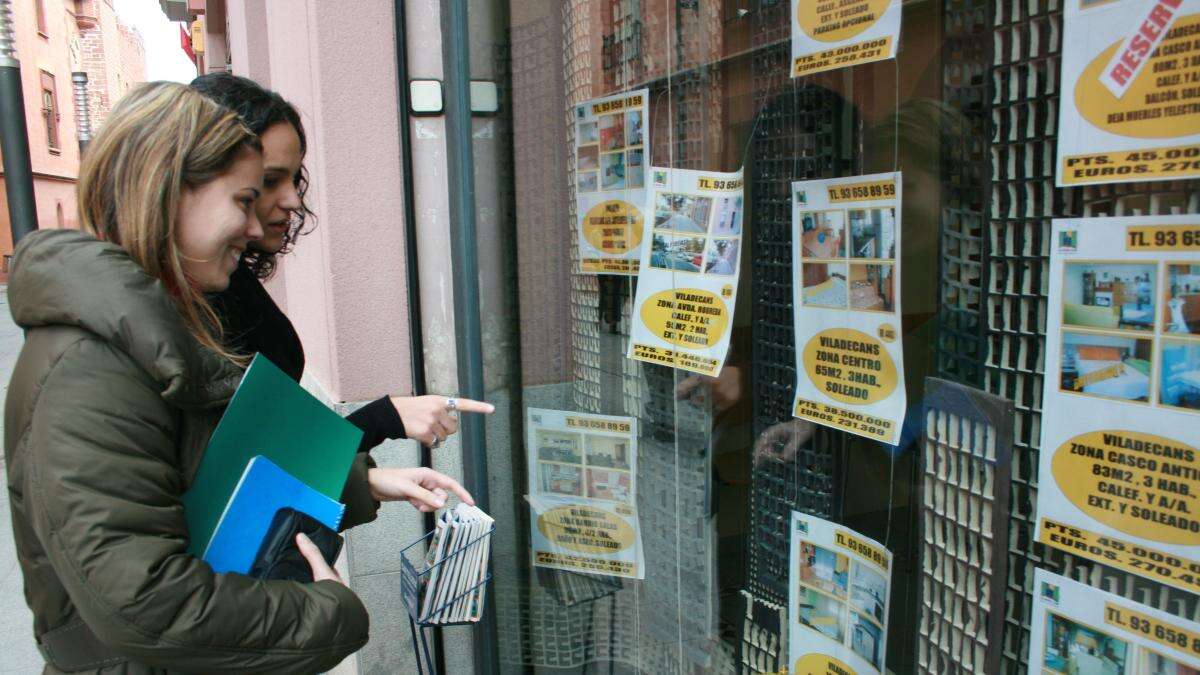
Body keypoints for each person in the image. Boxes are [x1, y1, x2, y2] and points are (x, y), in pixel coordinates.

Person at [3, 81, 443, 674]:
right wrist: (331, 615)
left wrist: (359, 482)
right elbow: (146, 605)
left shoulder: (148, 334)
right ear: (171, 194)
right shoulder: (91, 368)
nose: (254, 225)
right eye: (244, 199)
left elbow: (210, 476)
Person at [189, 74, 492, 525]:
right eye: (268, 181)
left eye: (295, 178)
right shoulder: (183, 306)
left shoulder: (227, 282)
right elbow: (231, 490)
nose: (292, 199)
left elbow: (263, 463)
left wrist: (368, 469)